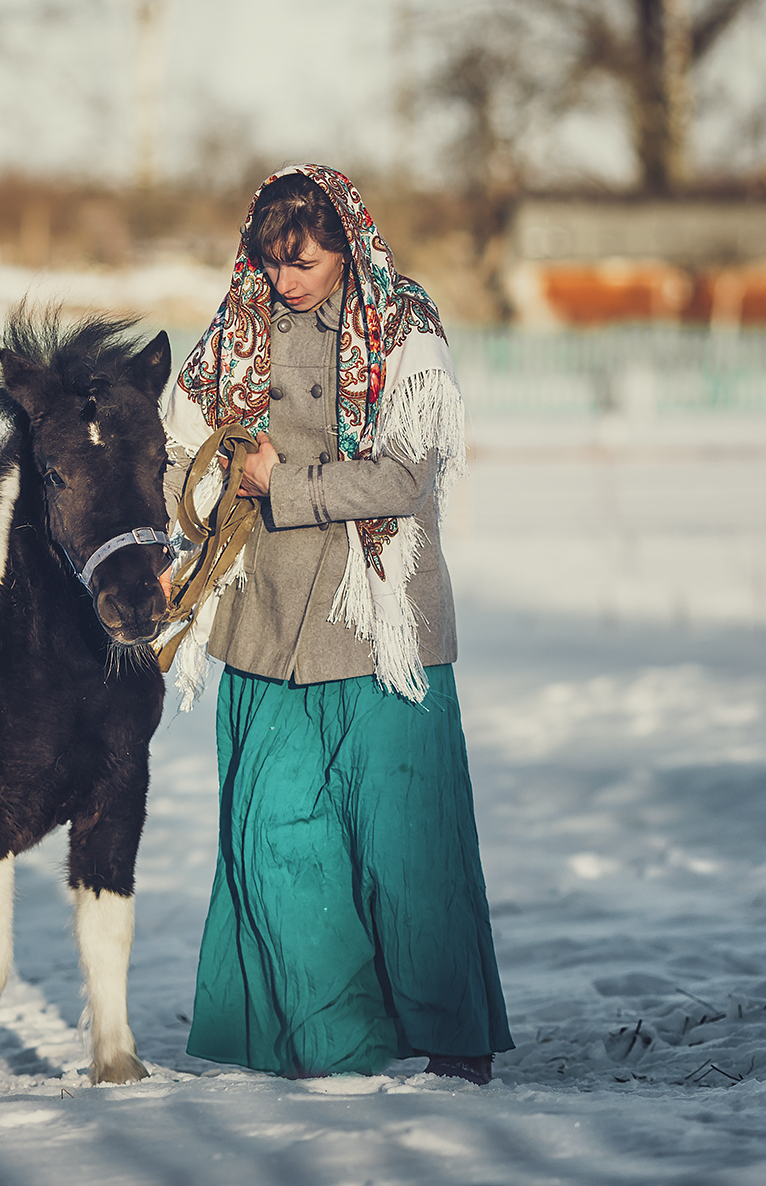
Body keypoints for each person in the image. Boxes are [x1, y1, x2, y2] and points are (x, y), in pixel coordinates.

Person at [159, 164, 513, 1084]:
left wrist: (283, 486)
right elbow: (176, 448)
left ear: (345, 242)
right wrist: (198, 496)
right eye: (274, 263)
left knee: (407, 849)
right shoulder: (234, 330)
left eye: (305, 261)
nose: (288, 280)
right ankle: (335, 1053)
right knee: (275, 839)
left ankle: (457, 1050)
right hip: (267, 627)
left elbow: (407, 477)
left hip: (379, 625)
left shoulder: (403, 326)